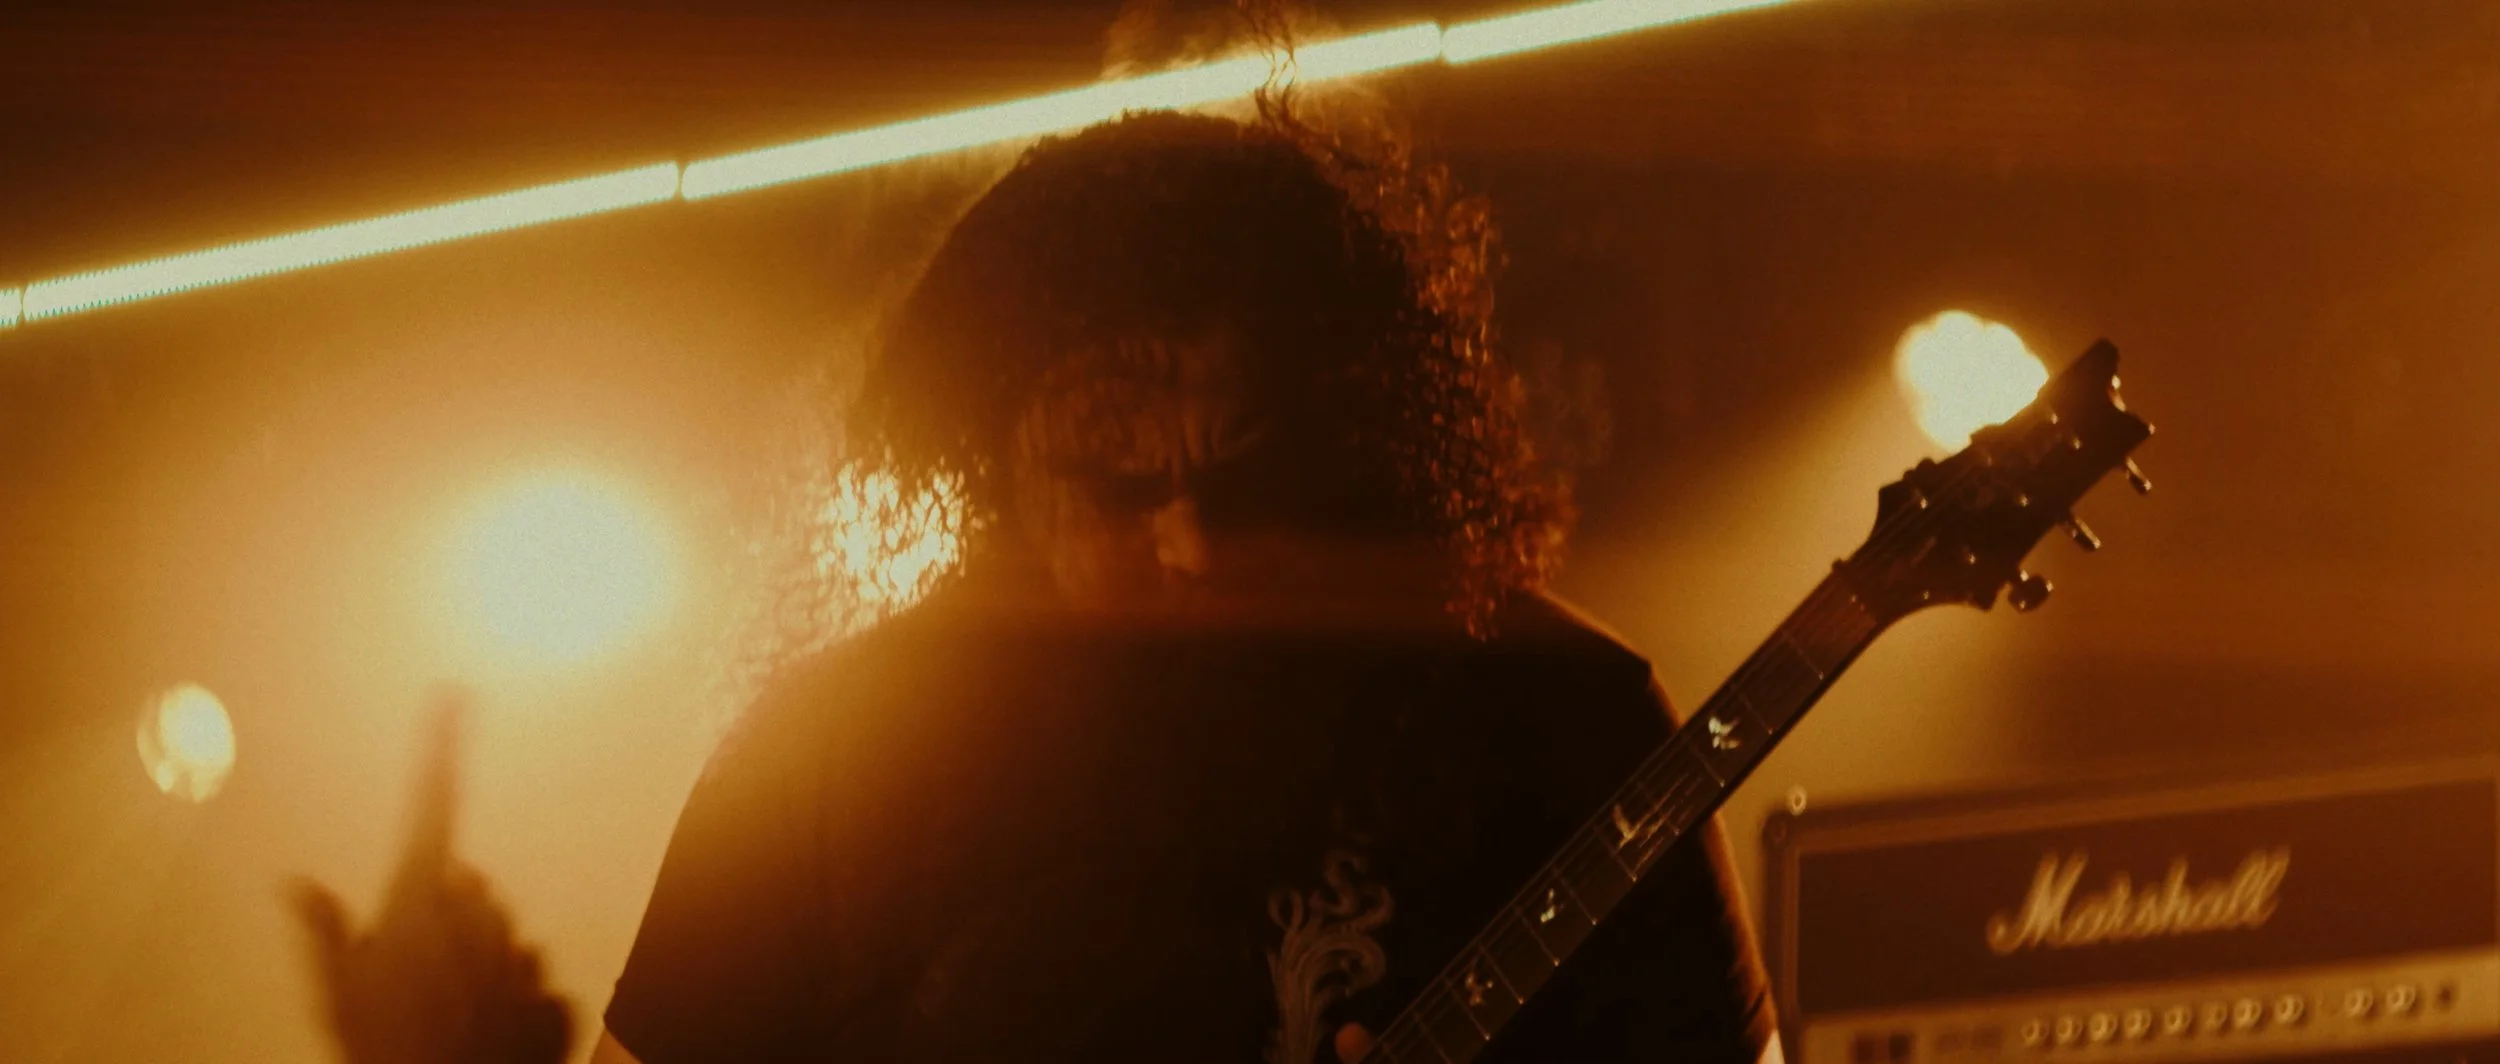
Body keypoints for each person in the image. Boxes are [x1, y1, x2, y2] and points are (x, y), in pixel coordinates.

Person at [592, 110, 1779, 1063]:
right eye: (1112, 489)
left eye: (1250, 473)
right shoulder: (830, 749)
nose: (1191, 543)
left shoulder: (1556, 711)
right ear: (992, 468)